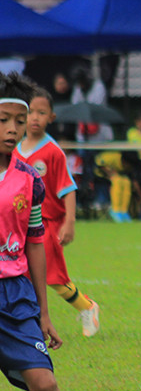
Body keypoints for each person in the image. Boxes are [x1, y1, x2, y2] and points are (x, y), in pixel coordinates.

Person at [0, 71, 94, 391]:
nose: (13, 130)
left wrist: (42, 311)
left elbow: (35, 242)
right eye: (4, 120)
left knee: (45, 384)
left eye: (19, 122)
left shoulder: (29, 178)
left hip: (14, 293)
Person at [13, 86, 101, 337]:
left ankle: (87, 307)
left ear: (51, 118)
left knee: (53, 276)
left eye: (42, 113)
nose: (35, 118)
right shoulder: (15, 148)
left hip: (49, 222)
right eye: (31, 112)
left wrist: (69, 221)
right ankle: (26, 325)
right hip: (21, 223)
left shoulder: (53, 152)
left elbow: (68, 188)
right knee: (23, 275)